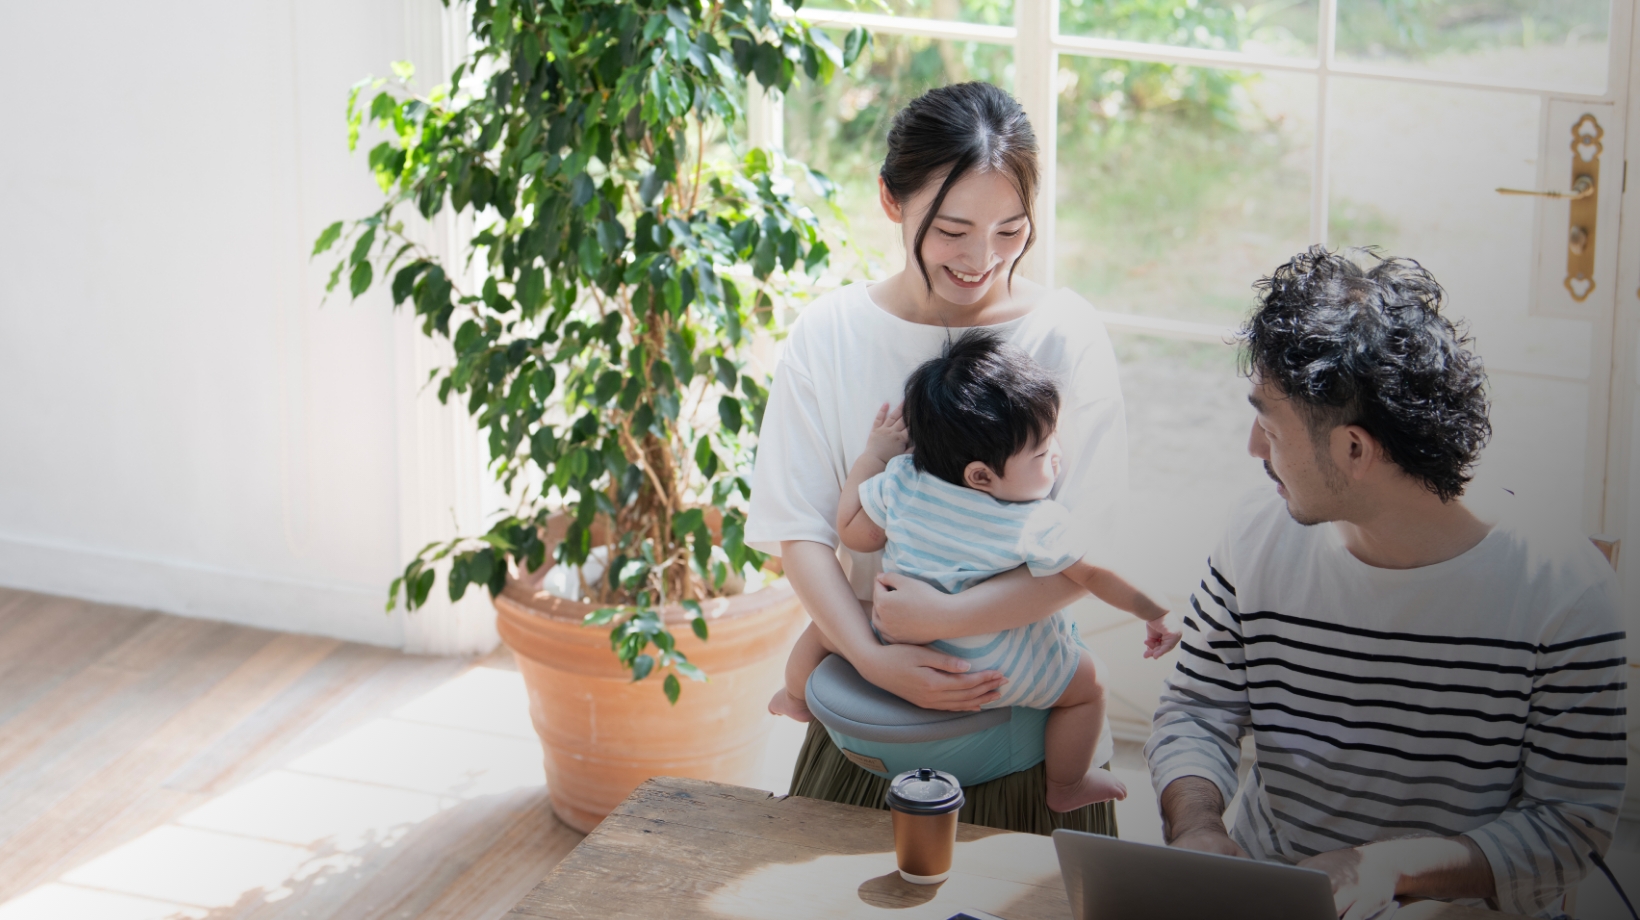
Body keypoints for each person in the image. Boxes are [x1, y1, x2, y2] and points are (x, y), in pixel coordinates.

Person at [1145, 247, 1628, 919]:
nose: (1254, 448)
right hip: (1272, 897)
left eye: (1269, 424)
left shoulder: (1563, 592)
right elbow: (1198, 710)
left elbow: (1570, 826)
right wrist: (1196, 825)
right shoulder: (1257, 533)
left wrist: (1392, 871)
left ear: (1353, 450)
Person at [745, 81, 1131, 834]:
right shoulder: (828, 334)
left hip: (1024, 744)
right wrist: (875, 654)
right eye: (952, 230)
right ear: (892, 201)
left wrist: (945, 618)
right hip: (869, 730)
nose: (980, 260)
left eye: (1011, 231)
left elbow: (1087, 547)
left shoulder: (1065, 334)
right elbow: (802, 532)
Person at [769, 330, 1181, 811]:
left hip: (895, 641)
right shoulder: (1035, 520)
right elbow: (1096, 573)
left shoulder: (903, 482)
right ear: (981, 475)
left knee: (826, 627)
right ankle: (1068, 785)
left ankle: (795, 697)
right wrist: (1155, 611)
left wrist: (874, 455)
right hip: (991, 676)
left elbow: (855, 530)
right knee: (1089, 686)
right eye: (1044, 454)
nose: (1058, 458)